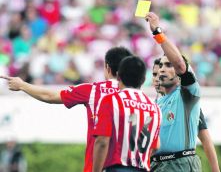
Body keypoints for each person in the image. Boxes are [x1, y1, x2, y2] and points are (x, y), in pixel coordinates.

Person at [0, 47, 132, 172]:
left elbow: (50, 96)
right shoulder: (137, 98)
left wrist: (22, 85)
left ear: (107, 67)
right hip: (129, 166)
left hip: (96, 166)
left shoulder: (93, 90)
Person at [145, 12, 202, 171]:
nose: (163, 69)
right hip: (156, 164)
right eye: (161, 66)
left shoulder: (188, 93)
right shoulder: (156, 104)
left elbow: (180, 63)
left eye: (168, 65)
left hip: (180, 163)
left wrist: (157, 32)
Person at [92, 56, 161, 172]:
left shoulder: (110, 100)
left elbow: (102, 141)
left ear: (118, 76)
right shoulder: (155, 108)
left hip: (117, 168)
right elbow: (155, 146)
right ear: (144, 79)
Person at [152, 58, 220, 172]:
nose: (157, 76)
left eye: (166, 67)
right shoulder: (154, 106)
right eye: (154, 74)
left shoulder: (185, 103)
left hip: (179, 165)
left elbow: (206, 139)